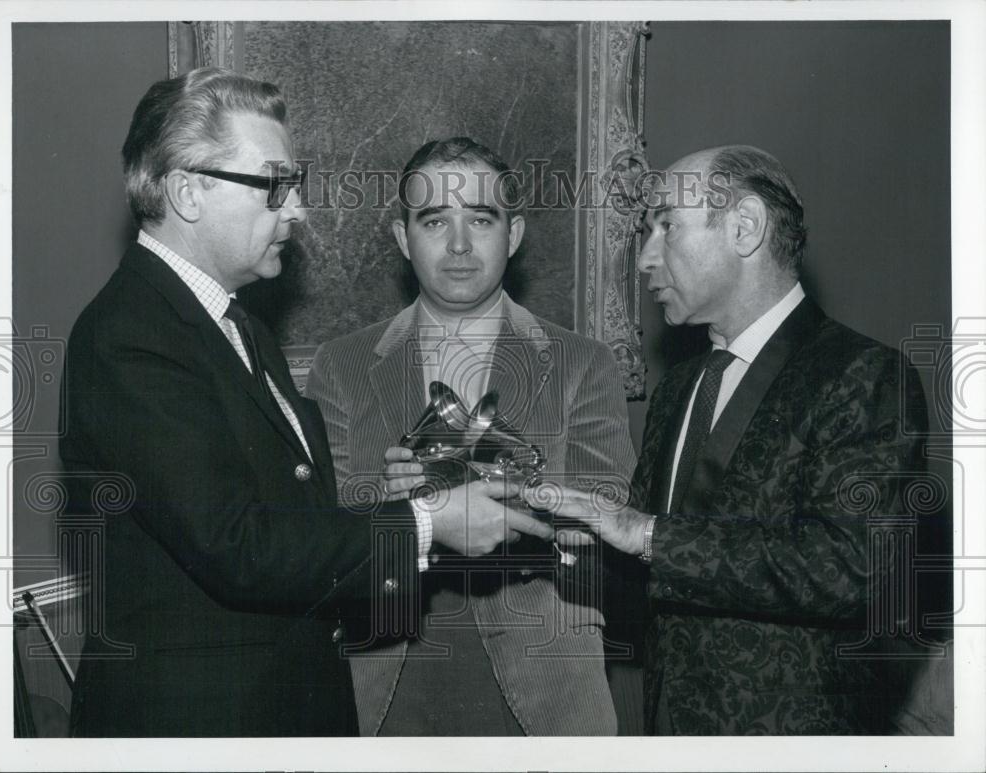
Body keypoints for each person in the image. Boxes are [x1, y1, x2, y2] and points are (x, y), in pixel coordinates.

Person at [59, 71, 549, 737]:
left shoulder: (237, 326)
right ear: (185, 191)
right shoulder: (130, 336)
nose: (296, 211)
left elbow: (295, 520)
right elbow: (241, 547)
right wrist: (431, 520)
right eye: (273, 186)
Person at [526, 145, 928, 734]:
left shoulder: (865, 375)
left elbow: (853, 568)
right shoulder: (680, 387)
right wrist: (557, 532)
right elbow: (658, 576)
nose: (644, 258)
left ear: (744, 228)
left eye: (666, 225)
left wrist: (644, 532)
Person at [305, 137, 636, 735]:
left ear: (513, 235)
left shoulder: (583, 361)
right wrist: (392, 504)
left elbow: (609, 537)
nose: (459, 244)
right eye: (435, 221)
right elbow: (316, 537)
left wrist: (504, 492)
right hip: (389, 671)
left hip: (546, 680)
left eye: (481, 220)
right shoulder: (343, 363)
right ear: (404, 240)